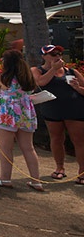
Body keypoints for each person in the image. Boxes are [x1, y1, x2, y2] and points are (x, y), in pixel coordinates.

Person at [0, 49, 43, 191]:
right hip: (25, 114)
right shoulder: (28, 77)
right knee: (29, 148)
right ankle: (36, 181)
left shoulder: (2, 77)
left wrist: (1, 95)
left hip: (7, 114)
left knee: (6, 148)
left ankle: (5, 179)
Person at [31, 44, 84, 184]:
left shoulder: (71, 71)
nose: (57, 56)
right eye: (53, 54)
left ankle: (82, 172)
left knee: (79, 140)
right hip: (52, 110)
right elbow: (41, 82)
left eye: (59, 53)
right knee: (56, 139)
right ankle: (59, 168)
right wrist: (53, 69)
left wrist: (77, 88)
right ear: (43, 56)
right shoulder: (37, 70)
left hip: (75, 109)